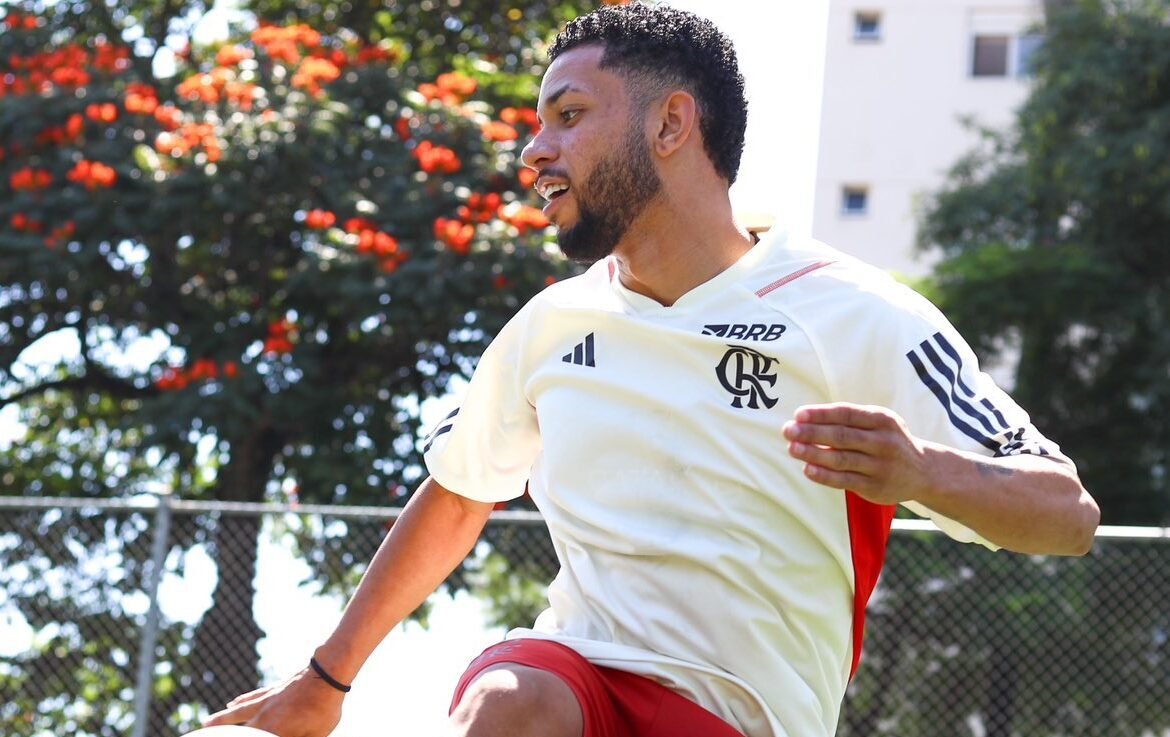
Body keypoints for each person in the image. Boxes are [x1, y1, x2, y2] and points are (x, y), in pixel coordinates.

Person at [205, 4, 1101, 737]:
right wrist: (324, 679)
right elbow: (457, 493)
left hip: (740, 718)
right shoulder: (552, 326)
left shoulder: (857, 313)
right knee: (512, 702)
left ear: (672, 122)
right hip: (576, 678)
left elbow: (1066, 515)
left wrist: (921, 471)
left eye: (567, 115)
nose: (532, 152)